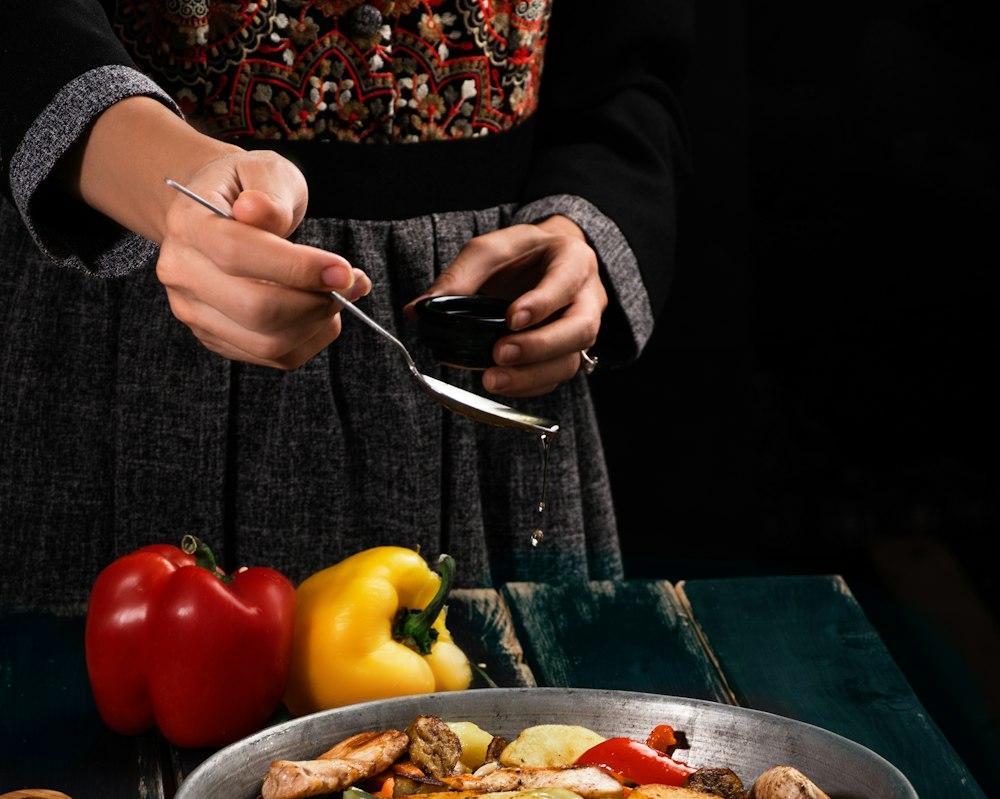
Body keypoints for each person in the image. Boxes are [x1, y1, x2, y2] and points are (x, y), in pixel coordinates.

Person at [0, 3, 692, 610]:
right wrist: (173, 191)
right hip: (122, 338)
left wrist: (577, 235)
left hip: (484, 366)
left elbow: (631, 74)